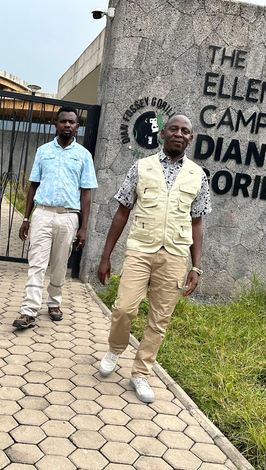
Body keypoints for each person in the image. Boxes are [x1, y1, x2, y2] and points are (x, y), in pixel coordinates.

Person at [97, 114, 212, 403]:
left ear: (190, 139)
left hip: (174, 255)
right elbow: (122, 211)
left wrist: (195, 265)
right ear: (162, 134)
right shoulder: (141, 167)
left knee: (159, 320)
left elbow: (196, 222)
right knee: (124, 308)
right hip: (140, 250)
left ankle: (141, 373)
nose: (178, 134)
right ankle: (115, 348)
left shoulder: (198, 175)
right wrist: (106, 256)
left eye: (185, 131)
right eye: (173, 128)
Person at [13, 106, 98, 329]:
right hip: (42, 214)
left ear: (77, 126)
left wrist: (84, 227)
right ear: (56, 124)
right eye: (63, 121)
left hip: (69, 217)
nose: (67, 125)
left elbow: (86, 192)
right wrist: (26, 218)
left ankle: (53, 303)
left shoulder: (83, 155)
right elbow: (33, 185)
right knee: (36, 264)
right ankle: (28, 311)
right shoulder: (43, 151)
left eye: (71, 122)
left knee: (60, 265)